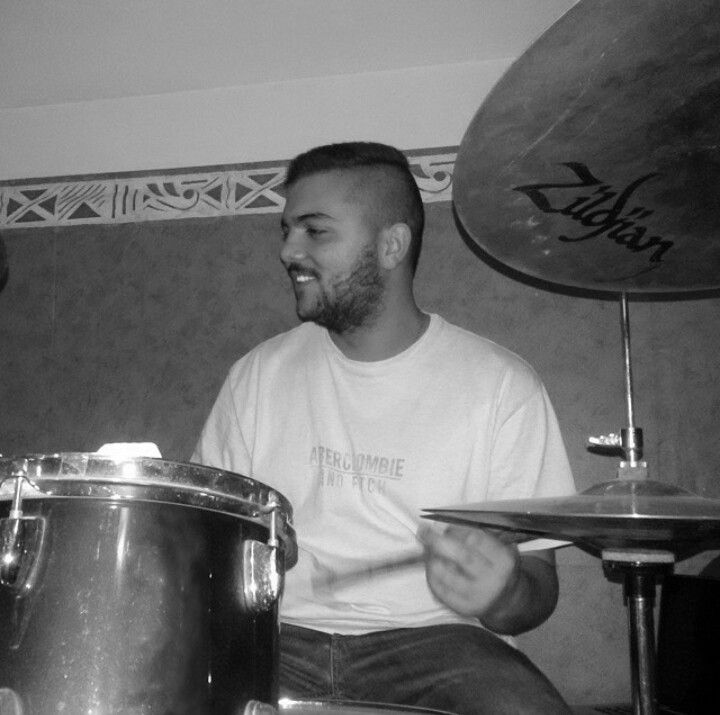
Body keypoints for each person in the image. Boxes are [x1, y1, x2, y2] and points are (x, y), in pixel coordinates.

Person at [192, 141, 576, 714]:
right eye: (287, 230)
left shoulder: (502, 386)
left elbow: (538, 589)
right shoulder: (257, 375)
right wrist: (244, 551)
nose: (288, 250)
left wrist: (502, 593)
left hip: (438, 643)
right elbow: (205, 536)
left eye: (315, 231)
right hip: (275, 634)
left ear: (392, 245)